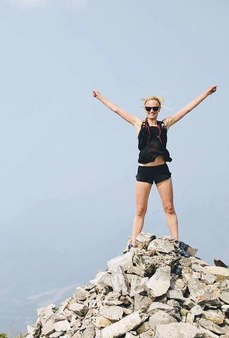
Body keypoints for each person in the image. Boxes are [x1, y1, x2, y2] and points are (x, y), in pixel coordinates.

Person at [92, 85, 217, 253]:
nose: (151, 111)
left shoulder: (165, 124)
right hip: (144, 172)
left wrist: (206, 94)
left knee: (169, 208)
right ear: (145, 109)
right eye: (149, 108)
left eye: (155, 108)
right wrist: (100, 98)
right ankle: (133, 243)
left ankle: (175, 243)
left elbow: (187, 109)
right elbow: (117, 110)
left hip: (161, 171)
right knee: (140, 210)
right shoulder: (138, 124)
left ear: (159, 110)